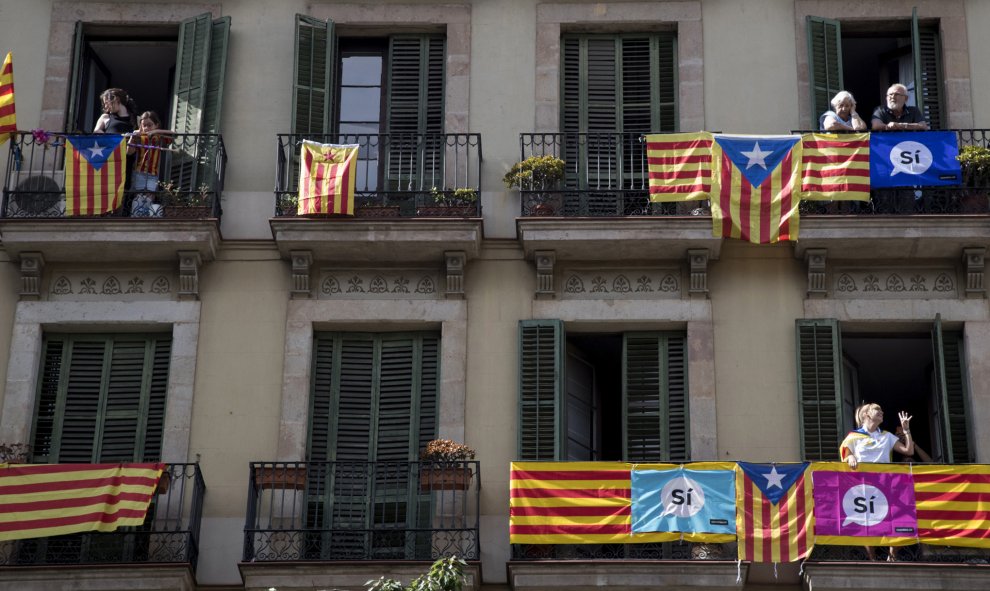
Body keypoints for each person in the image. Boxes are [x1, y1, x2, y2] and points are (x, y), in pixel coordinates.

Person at [840, 403, 914, 562]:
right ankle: (872, 559)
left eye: (881, 409)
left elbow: (909, 451)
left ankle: (892, 557)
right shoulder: (853, 436)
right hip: (864, 487)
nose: (882, 412)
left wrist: (906, 430)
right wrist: (850, 457)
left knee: (898, 517)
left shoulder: (887, 436)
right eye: (877, 410)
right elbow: (845, 454)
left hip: (887, 483)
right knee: (866, 521)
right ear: (866, 414)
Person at [128, 111, 174, 217]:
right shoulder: (139, 137)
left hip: (153, 174)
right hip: (139, 172)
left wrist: (156, 131)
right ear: (141, 126)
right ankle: (137, 216)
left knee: (150, 197)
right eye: (144, 125)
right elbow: (129, 152)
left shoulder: (159, 137)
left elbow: (172, 134)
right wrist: (132, 137)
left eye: (150, 125)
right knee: (139, 197)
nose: (147, 128)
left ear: (156, 125)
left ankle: (145, 217)